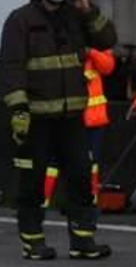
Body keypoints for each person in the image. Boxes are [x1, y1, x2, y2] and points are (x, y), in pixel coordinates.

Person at [0, 0, 116, 260]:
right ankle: (33, 240)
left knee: (81, 176)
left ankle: (83, 240)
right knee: (33, 181)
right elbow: (11, 68)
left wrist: (87, 9)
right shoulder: (21, 21)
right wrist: (19, 110)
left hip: (72, 118)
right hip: (36, 118)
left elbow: (107, 39)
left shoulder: (75, 16)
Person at [42, 46, 116, 207]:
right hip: (70, 117)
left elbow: (108, 67)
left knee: (92, 160)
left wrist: (91, 52)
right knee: (55, 160)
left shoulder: (96, 44)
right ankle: (44, 199)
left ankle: (90, 197)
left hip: (93, 119)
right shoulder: (63, 46)